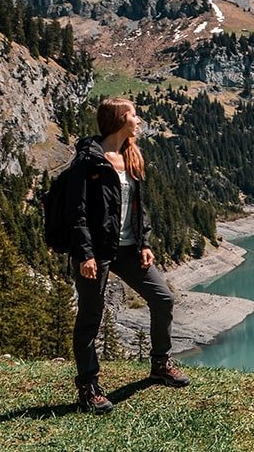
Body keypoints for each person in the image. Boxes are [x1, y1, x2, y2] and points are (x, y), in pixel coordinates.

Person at [70, 96, 190, 414]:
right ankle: (88, 387)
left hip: (129, 248)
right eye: (134, 115)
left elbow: (138, 207)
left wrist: (145, 242)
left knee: (162, 298)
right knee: (90, 318)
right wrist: (84, 255)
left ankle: (160, 364)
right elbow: (76, 212)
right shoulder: (90, 159)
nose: (138, 119)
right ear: (120, 120)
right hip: (96, 252)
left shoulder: (131, 155)